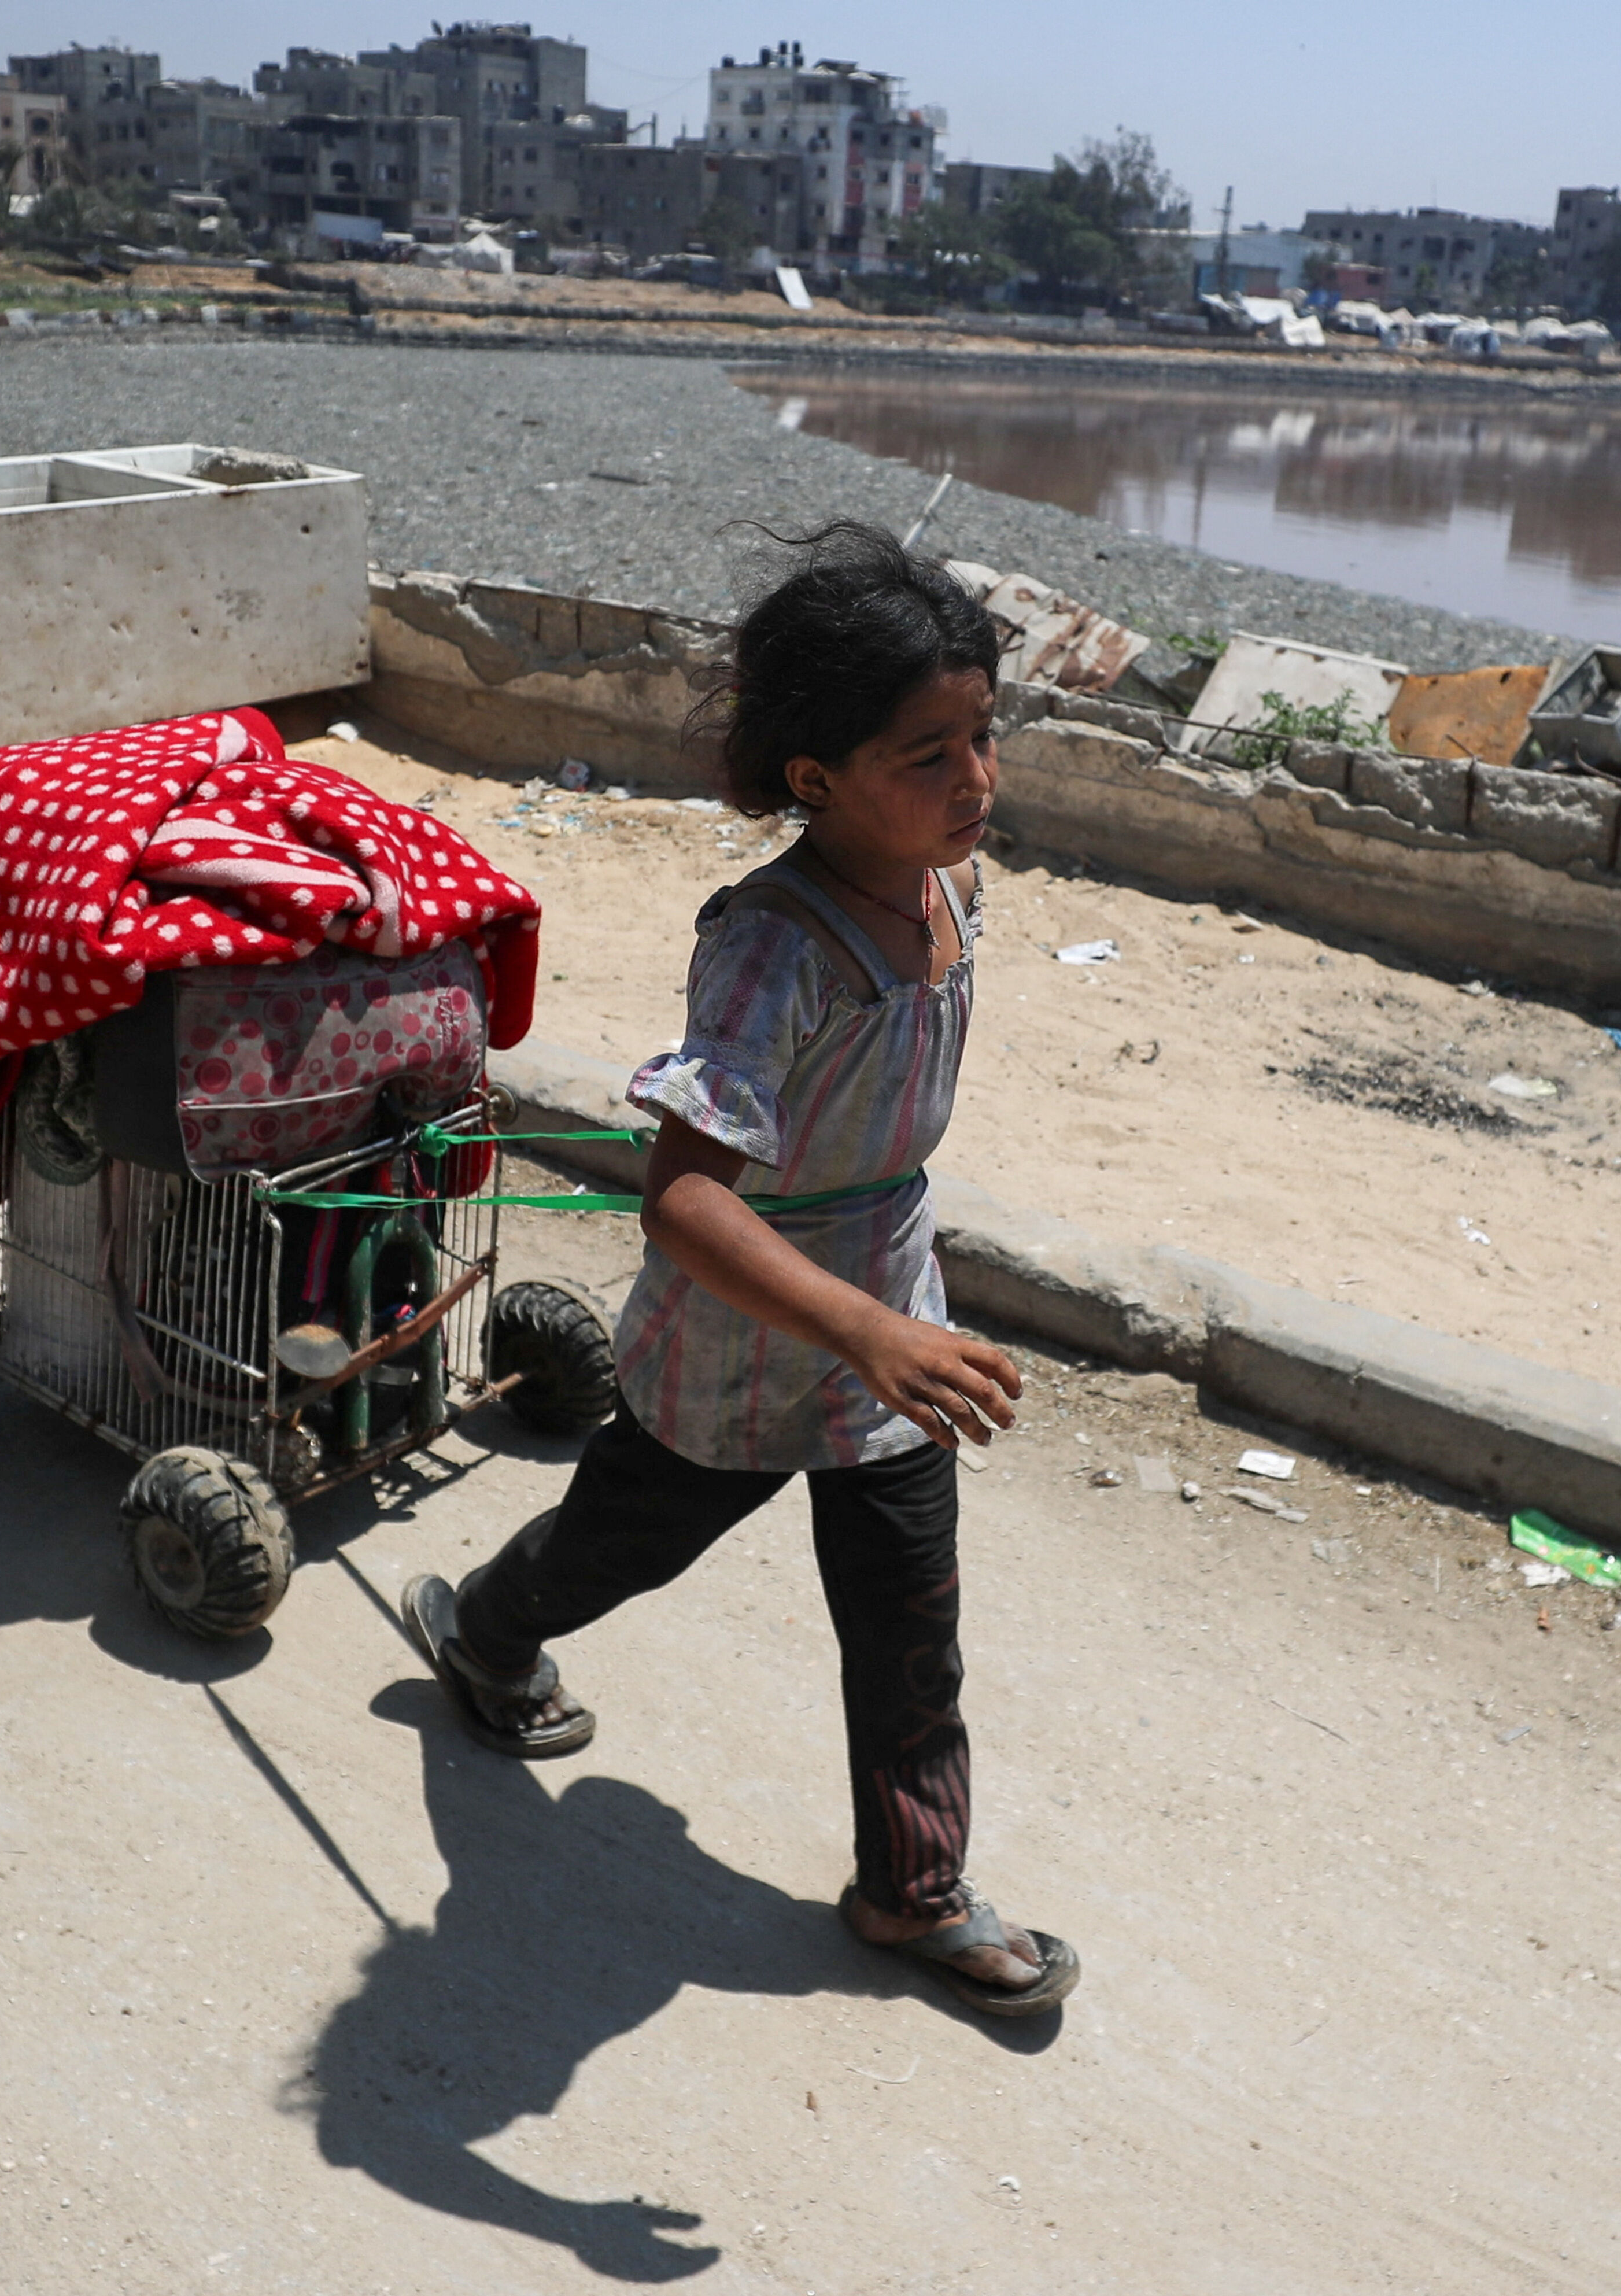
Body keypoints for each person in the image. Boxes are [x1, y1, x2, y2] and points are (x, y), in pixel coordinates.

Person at [404, 521, 1077, 2019]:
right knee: (616, 1547)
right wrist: (860, 1330)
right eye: (927, 753)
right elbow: (681, 1199)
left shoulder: (952, 892)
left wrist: (888, 1332)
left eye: (983, 736)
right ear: (812, 780)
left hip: (884, 1325)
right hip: (748, 1342)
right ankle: (483, 1627)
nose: (972, 779)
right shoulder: (769, 949)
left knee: (909, 1631)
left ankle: (911, 1891)